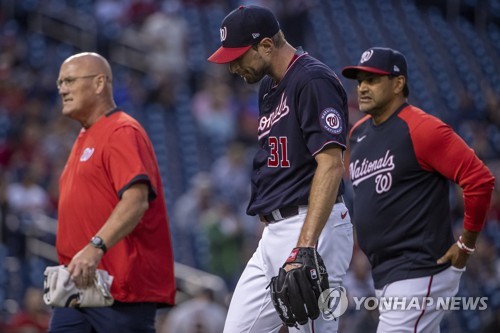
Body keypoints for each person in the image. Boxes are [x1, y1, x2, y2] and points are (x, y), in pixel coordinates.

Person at [208, 5, 354, 333]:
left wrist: (305, 245)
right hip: (276, 232)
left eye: (237, 56)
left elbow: (331, 165)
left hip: (313, 228)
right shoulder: (269, 86)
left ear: (265, 46)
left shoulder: (312, 79)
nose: (231, 66)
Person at [341, 47, 495, 332]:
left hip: (420, 267)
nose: (362, 87)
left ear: (398, 83)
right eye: (360, 80)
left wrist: (467, 243)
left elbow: (479, 179)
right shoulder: (358, 134)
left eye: (373, 80)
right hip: (386, 273)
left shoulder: (422, 128)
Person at [49, 52, 176, 332]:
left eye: (69, 80)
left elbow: (136, 200)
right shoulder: (85, 136)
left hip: (120, 289)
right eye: (60, 82)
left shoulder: (121, 130)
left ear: (98, 83)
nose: (62, 89)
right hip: (78, 286)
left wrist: (96, 247)